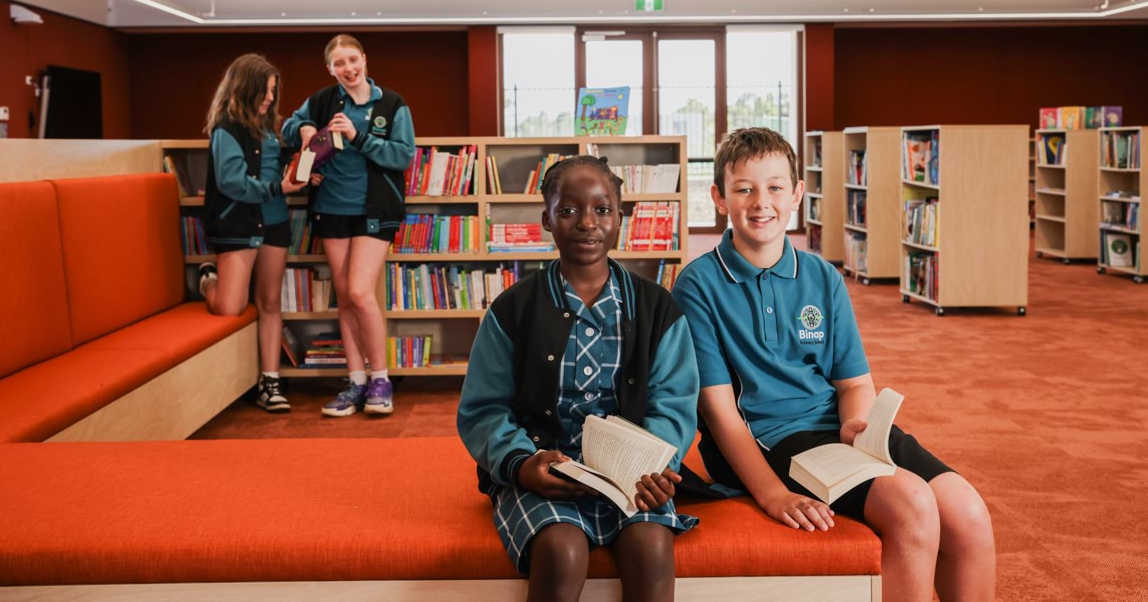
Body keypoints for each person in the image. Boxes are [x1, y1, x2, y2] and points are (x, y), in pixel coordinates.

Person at [671, 128, 996, 602]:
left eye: (776, 187)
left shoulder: (823, 276)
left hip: (839, 432)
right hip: (770, 440)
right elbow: (720, 412)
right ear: (719, 197)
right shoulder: (697, 285)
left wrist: (859, 431)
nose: (762, 201)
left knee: (968, 512)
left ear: (798, 194)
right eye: (744, 188)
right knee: (911, 505)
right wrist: (771, 493)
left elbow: (854, 383)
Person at [457, 155, 699, 602]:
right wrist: (521, 464)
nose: (587, 223)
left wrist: (657, 464)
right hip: (542, 468)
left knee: (651, 550)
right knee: (561, 550)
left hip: (634, 474)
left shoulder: (657, 308)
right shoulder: (513, 310)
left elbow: (674, 401)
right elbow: (484, 408)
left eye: (602, 210)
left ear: (620, 218)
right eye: (568, 210)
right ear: (546, 219)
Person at [282, 34, 415, 417]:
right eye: (340, 64)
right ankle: (356, 381)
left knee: (359, 292)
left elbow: (403, 156)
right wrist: (305, 129)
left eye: (353, 60)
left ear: (365, 60)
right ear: (330, 69)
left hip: (376, 208)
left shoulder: (392, 104)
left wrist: (360, 137)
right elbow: (290, 125)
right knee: (345, 295)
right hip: (331, 207)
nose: (348, 69)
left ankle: (381, 378)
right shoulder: (323, 99)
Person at [199, 53, 307, 414]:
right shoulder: (226, 128)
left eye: (273, 92)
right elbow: (232, 182)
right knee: (230, 307)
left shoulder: (267, 128)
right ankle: (206, 279)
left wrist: (299, 175)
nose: (270, 99)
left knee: (270, 302)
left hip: (274, 223)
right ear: (245, 89)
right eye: (265, 91)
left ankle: (270, 381)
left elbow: (273, 171)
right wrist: (280, 188)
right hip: (238, 226)